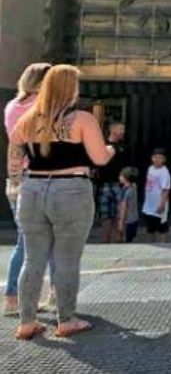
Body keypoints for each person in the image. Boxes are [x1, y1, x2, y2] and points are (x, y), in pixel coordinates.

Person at [7, 64, 115, 339]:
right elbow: (100, 157)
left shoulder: (29, 118)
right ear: (70, 88)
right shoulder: (82, 119)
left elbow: (14, 154)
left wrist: (18, 181)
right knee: (67, 258)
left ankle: (27, 322)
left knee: (33, 259)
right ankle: (66, 320)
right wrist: (112, 148)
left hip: (32, 189)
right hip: (71, 190)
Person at [4, 63, 56, 317]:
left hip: (17, 178)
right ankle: (58, 295)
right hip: (41, 177)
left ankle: (12, 297)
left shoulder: (12, 106)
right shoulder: (44, 109)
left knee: (24, 241)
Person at [96, 121, 127, 243]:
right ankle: (105, 241)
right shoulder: (101, 144)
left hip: (120, 184)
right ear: (112, 130)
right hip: (104, 184)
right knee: (105, 215)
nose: (123, 131)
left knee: (120, 214)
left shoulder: (124, 146)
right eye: (121, 129)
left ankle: (118, 240)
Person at [142, 148, 171, 243]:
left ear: (164, 159)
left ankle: (163, 247)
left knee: (161, 228)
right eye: (155, 157)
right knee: (150, 228)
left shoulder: (164, 172)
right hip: (149, 204)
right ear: (152, 158)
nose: (157, 160)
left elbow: (166, 189)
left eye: (160, 158)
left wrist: (162, 204)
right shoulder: (150, 169)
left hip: (159, 205)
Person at [116, 167, 139, 243]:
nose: (119, 177)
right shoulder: (133, 187)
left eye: (121, 176)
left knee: (125, 242)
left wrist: (121, 223)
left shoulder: (127, 192)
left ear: (126, 178)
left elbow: (124, 208)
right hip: (134, 219)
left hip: (127, 221)